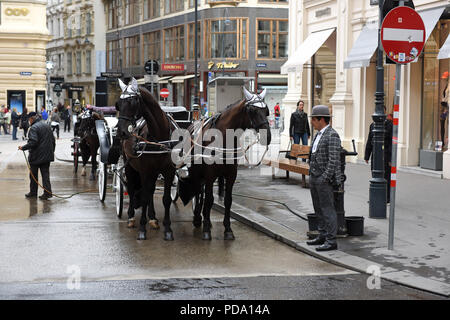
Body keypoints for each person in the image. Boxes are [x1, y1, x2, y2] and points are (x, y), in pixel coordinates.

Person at [306, 105, 342, 252]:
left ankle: (331, 240)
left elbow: (334, 160)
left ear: (321, 119)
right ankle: (322, 234)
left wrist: (324, 177)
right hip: (315, 177)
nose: (312, 122)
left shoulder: (332, 135)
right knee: (318, 208)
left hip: (323, 179)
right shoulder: (318, 134)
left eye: (313, 120)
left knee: (328, 210)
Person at [18, 112, 55, 200]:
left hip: (36, 156)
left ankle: (33, 192)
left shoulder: (34, 128)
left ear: (31, 119)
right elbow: (53, 140)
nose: (28, 122)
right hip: (47, 155)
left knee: (33, 175)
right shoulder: (46, 125)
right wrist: (51, 151)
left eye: (29, 120)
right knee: (45, 175)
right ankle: (47, 193)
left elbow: (33, 142)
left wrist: (23, 147)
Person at [364, 107, 393, 203]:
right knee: (374, 175)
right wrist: (367, 155)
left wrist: (390, 159)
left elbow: (391, 144)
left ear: (384, 113)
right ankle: (375, 196)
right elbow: (370, 140)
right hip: (375, 155)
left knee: (386, 177)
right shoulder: (372, 125)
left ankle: (387, 197)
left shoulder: (389, 125)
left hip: (385, 156)